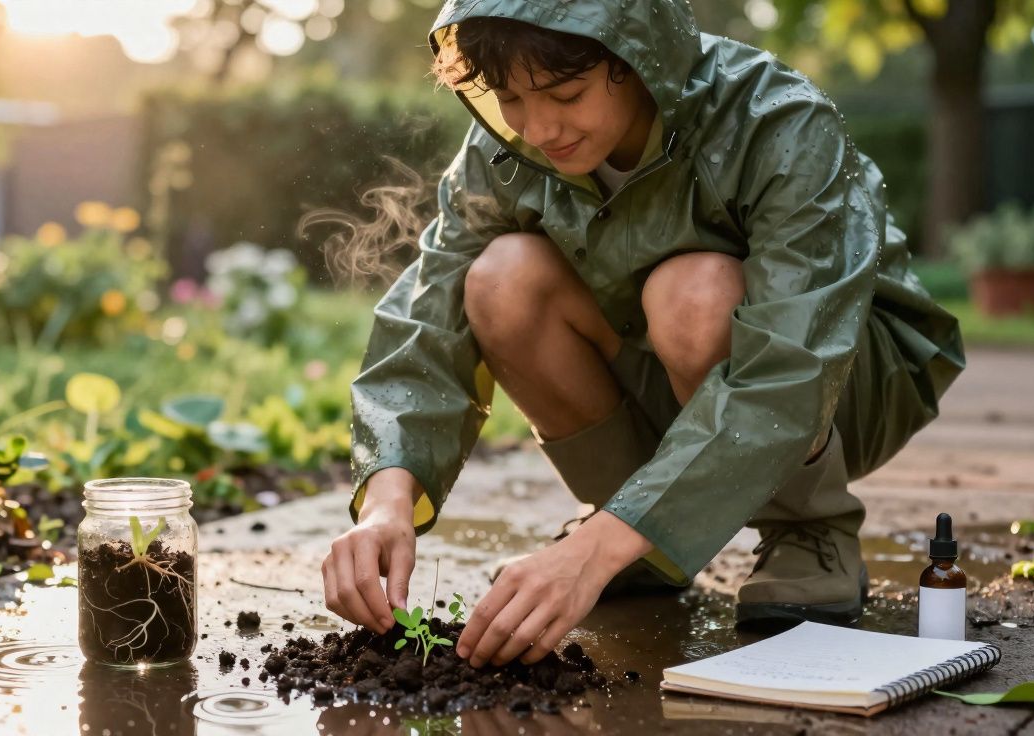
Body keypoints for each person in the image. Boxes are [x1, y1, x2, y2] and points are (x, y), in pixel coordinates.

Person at [320, 0, 963, 671]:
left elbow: (793, 359)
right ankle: (635, 531)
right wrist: (387, 503)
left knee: (693, 294)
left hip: (844, 382)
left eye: (565, 94)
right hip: (667, 378)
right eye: (509, 97)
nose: (538, 128)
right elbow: (429, 313)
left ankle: (810, 530)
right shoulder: (502, 151)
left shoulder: (779, 121)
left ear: (635, 59)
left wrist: (587, 553)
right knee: (499, 279)